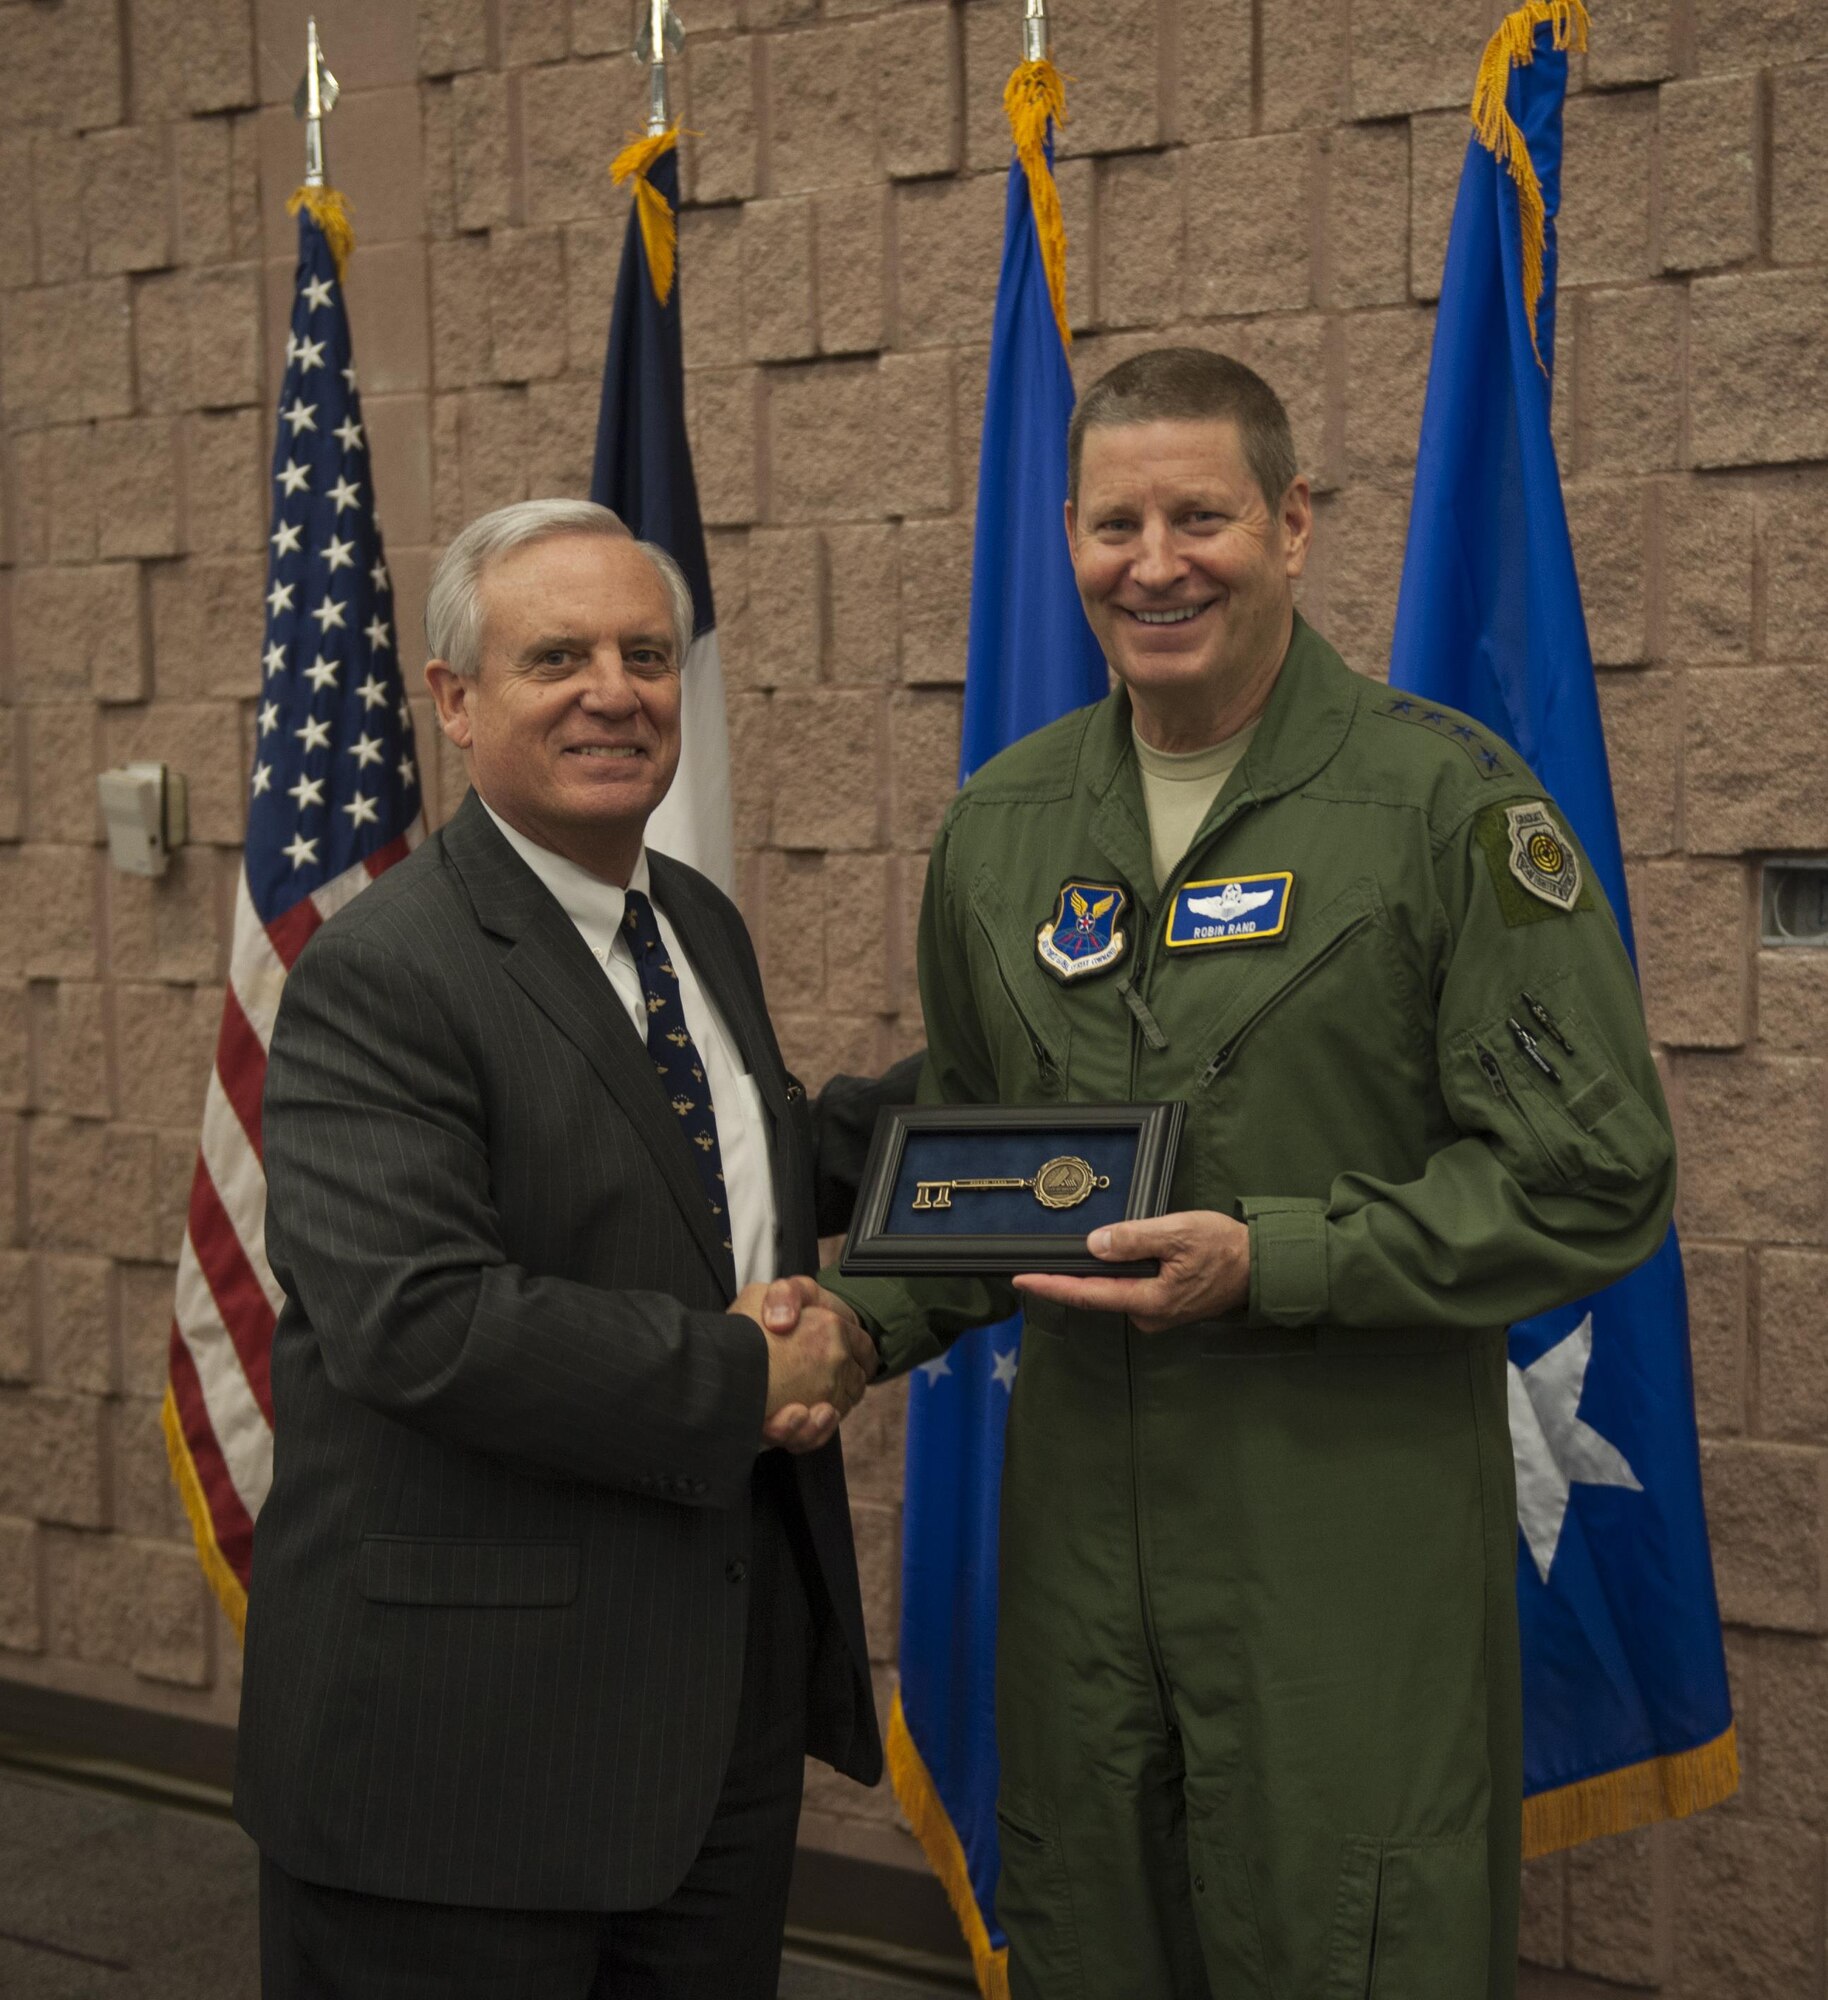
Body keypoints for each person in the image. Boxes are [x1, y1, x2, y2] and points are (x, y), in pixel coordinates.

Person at [825, 349, 1677, 1999]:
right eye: (1115, 521)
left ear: (1292, 523)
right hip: (1078, 1560)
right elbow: (987, 1172)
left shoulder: (1446, 809)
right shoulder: (1002, 831)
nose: (1157, 562)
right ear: (1067, 536)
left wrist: (1277, 1256)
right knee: (1090, 1945)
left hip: (1338, 1563)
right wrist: (844, 1333)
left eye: (1201, 514)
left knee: (1355, 1951)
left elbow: (1596, 1179)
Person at [236, 498, 907, 1999]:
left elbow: (737, 1167)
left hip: (708, 1721)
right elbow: (422, 1320)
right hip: (462, 1765)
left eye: (647, 653)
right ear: (456, 704)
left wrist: (1015, 1085)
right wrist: (750, 1371)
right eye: (559, 658)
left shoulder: (692, 925)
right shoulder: (382, 972)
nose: (617, 689)